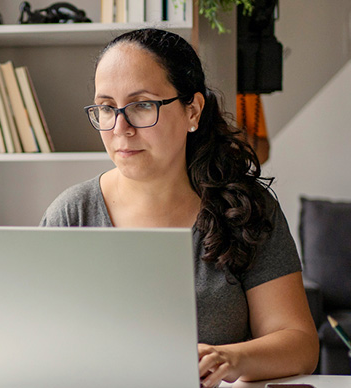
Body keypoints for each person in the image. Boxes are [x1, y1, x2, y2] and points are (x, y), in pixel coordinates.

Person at [40, 28, 318, 387]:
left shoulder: (245, 210)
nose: (120, 128)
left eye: (142, 105)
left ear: (193, 111)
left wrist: (231, 359)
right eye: (107, 108)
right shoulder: (72, 213)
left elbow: (300, 343)